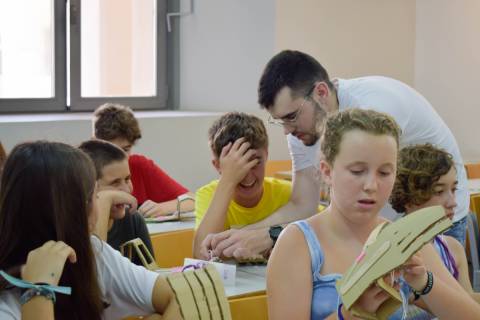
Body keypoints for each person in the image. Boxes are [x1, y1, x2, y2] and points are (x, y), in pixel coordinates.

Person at [210, 50, 469, 259]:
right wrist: (239, 235)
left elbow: (360, 201)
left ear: (321, 93)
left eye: (291, 117)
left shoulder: (375, 109)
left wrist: (273, 234)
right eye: (280, 121)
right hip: (377, 225)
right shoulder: (305, 128)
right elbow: (303, 203)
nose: (288, 131)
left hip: (434, 215)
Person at [267, 109, 480, 320]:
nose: (371, 185)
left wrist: (424, 282)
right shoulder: (297, 244)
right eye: (357, 171)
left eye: (385, 173)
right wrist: (352, 312)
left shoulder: (403, 239)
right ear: (327, 171)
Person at [0, 141, 180, 320]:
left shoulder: (94, 253)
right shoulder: (8, 302)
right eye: (95, 196)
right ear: (72, 211)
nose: (99, 206)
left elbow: (178, 297)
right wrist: (39, 290)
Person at [193, 112, 293, 260]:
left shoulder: (289, 193)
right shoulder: (208, 195)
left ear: (266, 156)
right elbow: (201, 257)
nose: (248, 177)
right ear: (217, 165)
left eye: (255, 162)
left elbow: (328, 227)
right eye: (237, 166)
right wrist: (228, 179)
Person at [390, 143, 480, 305]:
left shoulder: (453, 249)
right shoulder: (395, 253)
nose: (453, 203)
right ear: (409, 198)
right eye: (439, 191)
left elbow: (467, 302)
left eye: (453, 190)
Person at [93, 103, 194, 217]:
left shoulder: (138, 165)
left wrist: (161, 208)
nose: (120, 158)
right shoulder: (83, 170)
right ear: (95, 142)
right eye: (112, 150)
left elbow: (191, 200)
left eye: (126, 149)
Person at [79, 139, 155, 266]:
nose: (126, 190)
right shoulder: (74, 228)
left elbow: (149, 277)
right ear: (89, 188)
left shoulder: (133, 220)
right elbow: (97, 272)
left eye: (127, 179)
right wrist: (105, 200)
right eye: (114, 183)